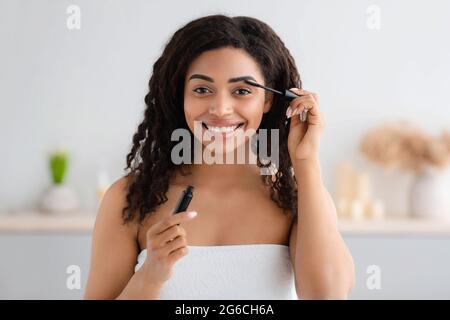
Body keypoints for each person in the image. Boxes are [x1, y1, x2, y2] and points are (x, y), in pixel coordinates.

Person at [84, 14, 355, 300]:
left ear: (267, 100)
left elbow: (327, 295)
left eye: (242, 91)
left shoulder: (299, 197)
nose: (221, 108)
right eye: (202, 89)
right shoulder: (129, 199)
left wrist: (306, 164)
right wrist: (150, 275)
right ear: (181, 96)